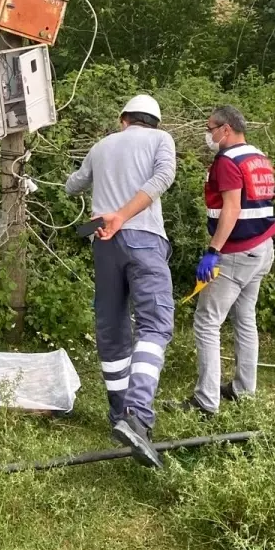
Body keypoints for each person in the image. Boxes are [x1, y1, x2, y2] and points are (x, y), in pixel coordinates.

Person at [66, 94, 177, 468]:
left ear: (122, 119)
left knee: (113, 328)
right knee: (155, 324)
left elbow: (72, 186)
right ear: (154, 122)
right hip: (144, 237)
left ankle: (118, 416)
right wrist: (125, 214)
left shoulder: (101, 146)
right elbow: (164, 177)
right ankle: (137, 416)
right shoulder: (161, 140)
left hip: (105, 245)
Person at [183, 105, 275, 416]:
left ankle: (206, 401)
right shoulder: (258, 156)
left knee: (207, 321)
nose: (208, 134)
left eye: (211, 128)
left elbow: (232, 208)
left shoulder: (227, 160)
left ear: (226, 129)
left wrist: (213, 251)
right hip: (263, 248)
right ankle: (243, 391)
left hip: (236, 251)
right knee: (245, 319)